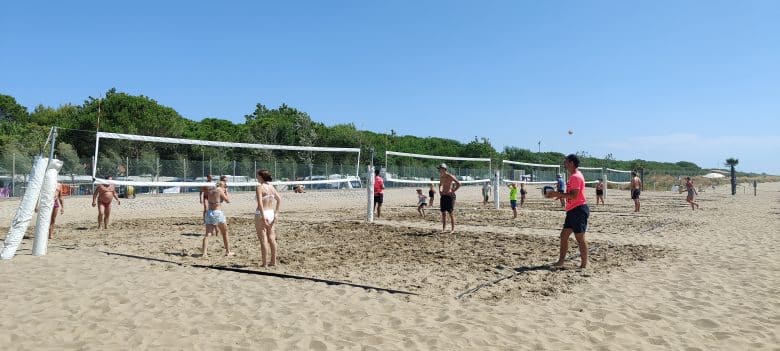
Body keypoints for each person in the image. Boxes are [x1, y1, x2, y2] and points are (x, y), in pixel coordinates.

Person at [549, 154, 589, 269]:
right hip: (573, 210)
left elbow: (575, 196)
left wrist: (558, 194)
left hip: (578, 210)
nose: (564, 163)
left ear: (571, 163)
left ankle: (584, 265)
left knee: (580, 238)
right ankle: (561, 261)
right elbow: (572, 194)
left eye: (566, 161)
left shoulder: (575, 177)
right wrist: (561, 196)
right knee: (564, 235)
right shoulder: (574, 176)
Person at [255, 169, 282, 267]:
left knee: (263, 239)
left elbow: (260, 204)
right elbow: (279, 199)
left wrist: (262, 216)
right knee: (272, 238)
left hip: (262, 213)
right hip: (271, 212)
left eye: (257, 176)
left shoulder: (259, 187)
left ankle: (264, 263)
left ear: (261, 177)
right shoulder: (271, 187)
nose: (256, 177)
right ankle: (273, 262)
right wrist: (277, 213)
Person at [202, 181, 232, 257]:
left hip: (209, 212)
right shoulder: (219, 190)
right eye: (225, 186)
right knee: (225, 233)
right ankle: (228, 252)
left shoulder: (211, 190)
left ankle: (204, 253)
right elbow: (228, 200)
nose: (225, 187)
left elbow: (211, 198)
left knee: (207, 234)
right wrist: (226, 192)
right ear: (222, 185)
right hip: (217, 212)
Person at [438, 163, 461, 233]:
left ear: (444, 169)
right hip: (443, 195)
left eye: (440, 168)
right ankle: (444, 229)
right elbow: (440, 184)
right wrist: (440, 191)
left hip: (450, 196)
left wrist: (453, 191)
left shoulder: (450, 176)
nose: (439, 170)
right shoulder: (441, 177)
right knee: (443, 213)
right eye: (439, 169)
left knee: (451, 213)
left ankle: (452, 229)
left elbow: (459, 184)